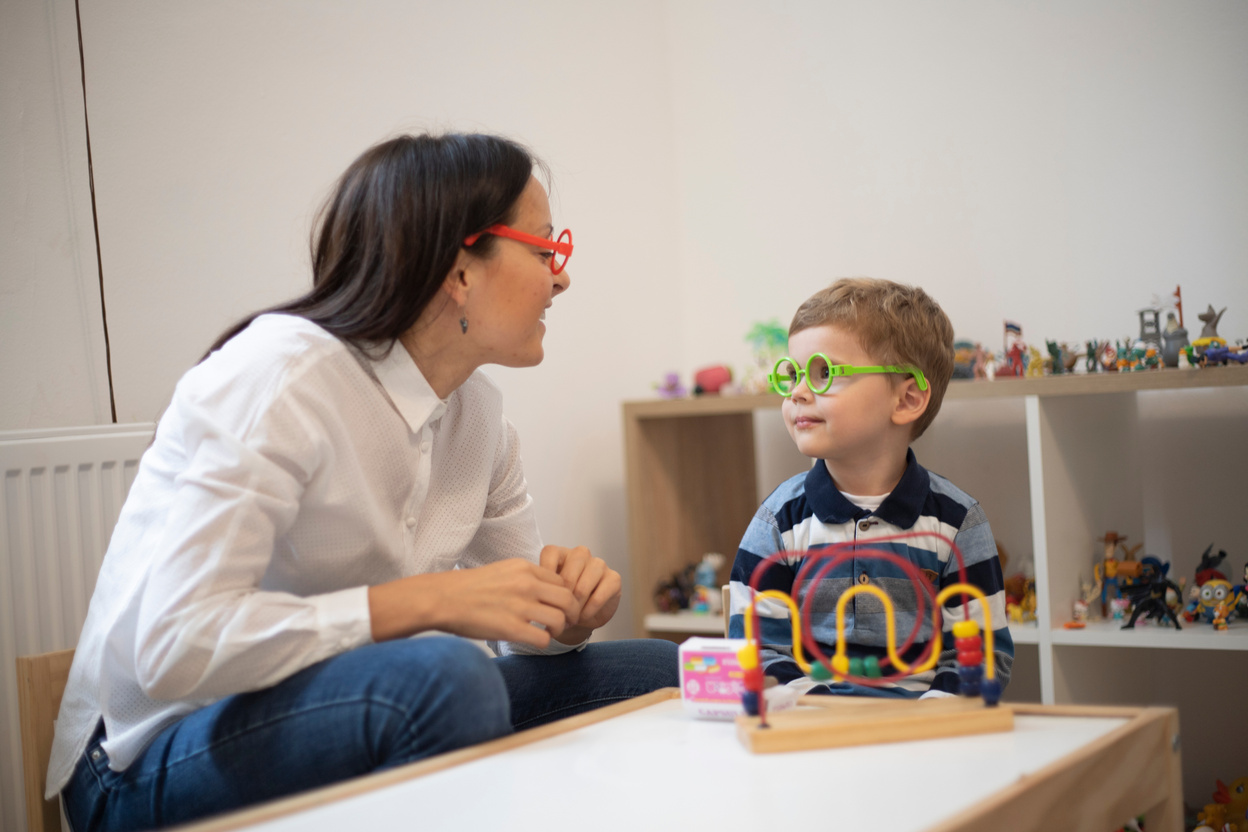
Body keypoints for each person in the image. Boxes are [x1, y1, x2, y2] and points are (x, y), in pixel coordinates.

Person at [47, 133, 678, 832]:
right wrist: (428, 600)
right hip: (146, 756)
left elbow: (516, 627)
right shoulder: (279, 378)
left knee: (658, 669)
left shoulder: (479, 418)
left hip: (357, 706)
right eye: (543, 250)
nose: (562, 277)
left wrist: (567, 614)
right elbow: (172, 647)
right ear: (458, 270)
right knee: (446, 679)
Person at [727, 278, 1012, 698]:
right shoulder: (778, 522)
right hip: (810, 726)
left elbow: (984, 653)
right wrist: (816, 708)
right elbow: (755, 648)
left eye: (825, 373)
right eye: (794, 374)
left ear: (906, 400)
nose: (799, 393)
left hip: (922, 731)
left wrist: (936, 713)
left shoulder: (957, 522)